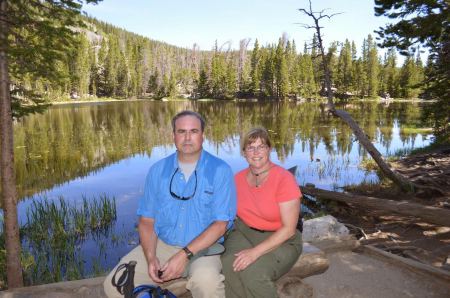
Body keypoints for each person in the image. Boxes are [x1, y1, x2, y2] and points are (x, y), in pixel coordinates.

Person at [104, 110, 236, 298]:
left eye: (194, 131)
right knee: (114, 284)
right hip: (163, 245)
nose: (187, 137)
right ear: (173, 136)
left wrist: (183, 255)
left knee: (207, 284)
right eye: (181, 132)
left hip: (203, 249)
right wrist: (151, 258)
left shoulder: (220, 170)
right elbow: (147, 220)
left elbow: (220, 225)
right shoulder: (158, 171)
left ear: (203, 135)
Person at [221, 127, 302, 298]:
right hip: (243, 231)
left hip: (282, 238)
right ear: (244, 152)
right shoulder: (236, 179)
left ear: (269, 149)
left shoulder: (284, 179)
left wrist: (255, 252)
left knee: (254, 274)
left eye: (261, 146)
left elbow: (289, 229)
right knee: (229, 265)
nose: (256, 152)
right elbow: (222, 209)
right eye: (251, 147)